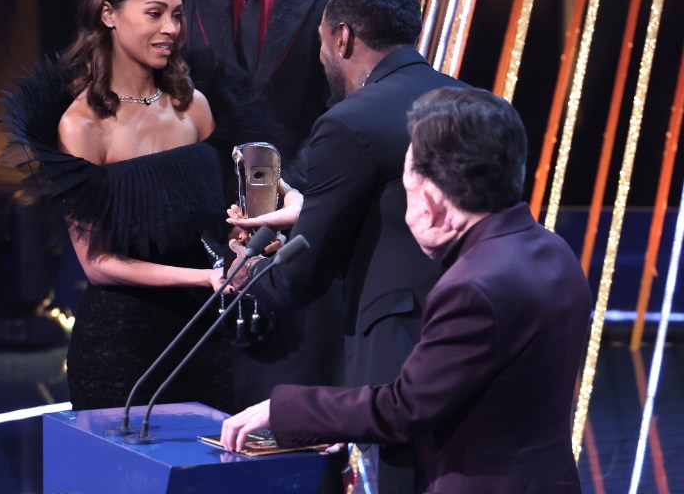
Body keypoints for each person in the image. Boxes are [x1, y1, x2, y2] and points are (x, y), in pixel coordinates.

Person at [221, 86, 593, 493]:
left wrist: (283, 410)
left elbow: (404, 408)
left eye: (408, 182)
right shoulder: (552, 251)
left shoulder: (472, 288)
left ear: (432, 196)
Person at [223, 0, 464, 493]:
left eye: (321, 44)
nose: (322, 57)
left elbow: (301, 278)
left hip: (397, 356)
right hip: (474, 336)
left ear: (343, 37)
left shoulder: (349, 122)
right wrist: (307, 209)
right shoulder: (472, 102)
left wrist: (247, 267)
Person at [0, 0, 240, 412]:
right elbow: (98, 262)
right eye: (155, 13)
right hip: (121, 345)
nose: (171, 28)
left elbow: (226, 215)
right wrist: (204, 277)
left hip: (201, 336)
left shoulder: (195, 107)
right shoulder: (82, 126)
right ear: (108, 13)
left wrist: (242, 241)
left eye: (177, 15)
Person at [176, 0, 353, 417]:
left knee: (292, 428)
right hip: (200, 229)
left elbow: (346, 105)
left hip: (305, 221)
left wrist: (281, 194)